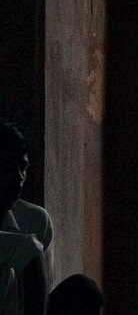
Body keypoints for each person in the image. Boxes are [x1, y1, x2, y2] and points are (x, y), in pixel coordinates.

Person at [0, 121, 102, 315]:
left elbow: (40, 292)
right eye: (5, 168)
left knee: (84, 289)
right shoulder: (27, 244)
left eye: (22, 167)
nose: (18, 177)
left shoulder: (35, 220)